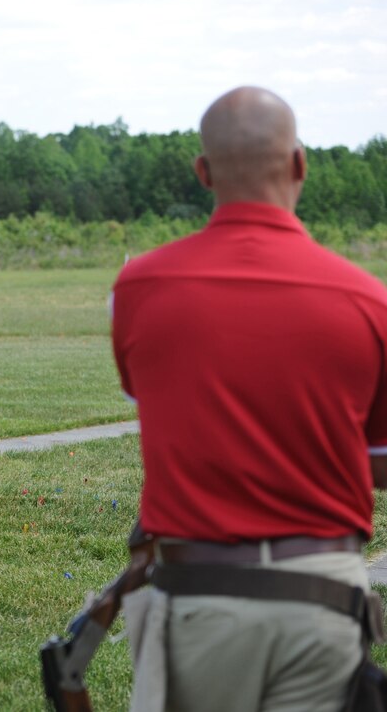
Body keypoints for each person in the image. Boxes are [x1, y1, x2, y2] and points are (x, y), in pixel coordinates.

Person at [111, 86, 387, 711]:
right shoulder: (369, 299)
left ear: (203, 172)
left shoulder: (139, 287)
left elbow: (154, 396)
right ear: (300, 165)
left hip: (196, 593)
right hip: (324, 597)